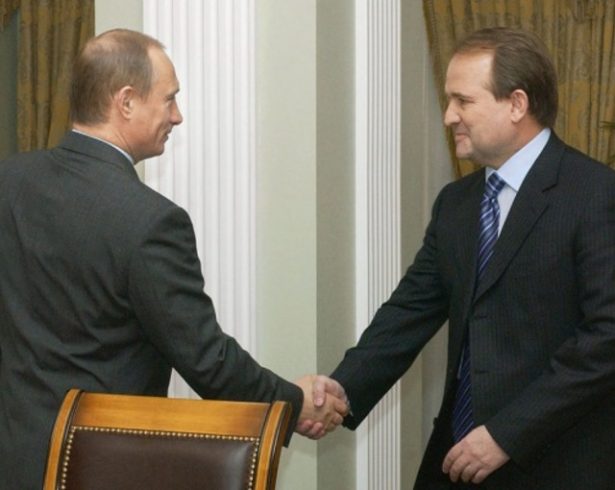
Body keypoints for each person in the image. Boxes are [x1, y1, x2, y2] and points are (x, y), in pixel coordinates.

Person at [0, 29, 347, 490]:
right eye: (169, 99)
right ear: (126, 101)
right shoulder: (151, 221)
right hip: (99, 468)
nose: (177, 116)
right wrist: (294, 402)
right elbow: (208, 360)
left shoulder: (9, 181)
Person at [309, 27, 615, 489]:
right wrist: (343, 389)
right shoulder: (456, 203)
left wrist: (506, 434)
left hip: (558, 462)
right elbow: (409, 311)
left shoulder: (595, 194)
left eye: (463, 101)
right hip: (455, 460)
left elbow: (606, 338)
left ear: (516, 104)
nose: (449, 116)